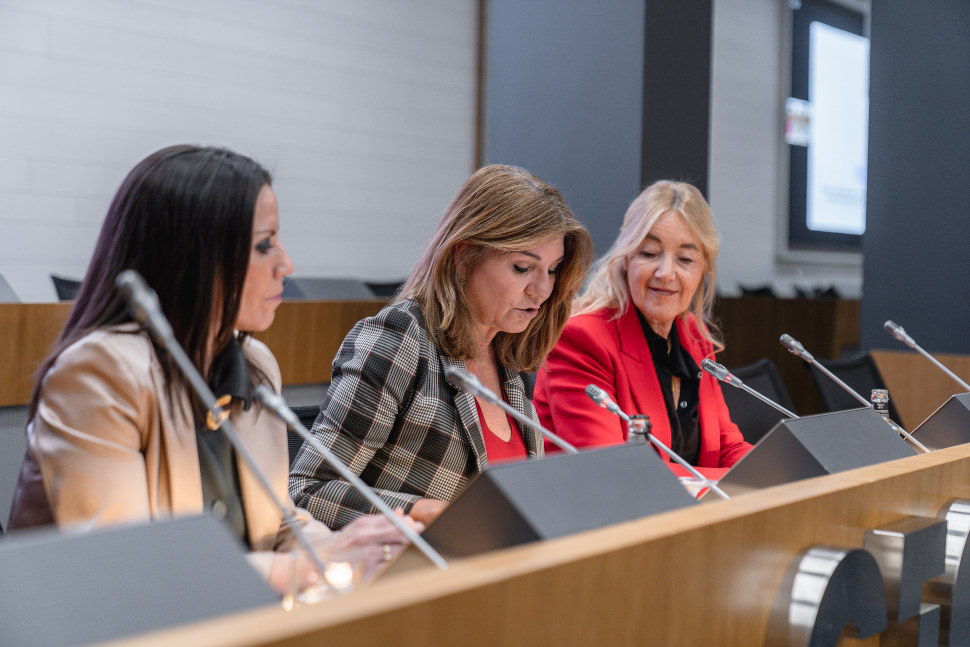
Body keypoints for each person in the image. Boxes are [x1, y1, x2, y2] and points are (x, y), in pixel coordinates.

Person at [7, 145, 418, 583]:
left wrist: (358, 550)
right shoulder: (98, 372)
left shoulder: (253, 364)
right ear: (194, 257)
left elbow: (278, 524)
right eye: (264, 245)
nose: (286, 265)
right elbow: (126, 571)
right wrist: (309, 568)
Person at [289, 165, 593, 529]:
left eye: (553, 269)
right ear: (464, 257)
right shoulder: (400, 338)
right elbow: (308, 490)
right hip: (410, 572)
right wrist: (428, 514)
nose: (541, 290)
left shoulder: (511, 364)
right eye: (522, 267)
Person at [533, 180, 751, 480]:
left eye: (685, 259)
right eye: (649, 253)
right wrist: (733, 482)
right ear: (626, 260)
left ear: (704, 271)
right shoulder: (582, 339)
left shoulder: (693, 338)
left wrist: (783, 472)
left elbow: (727, 448)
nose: (666, 273)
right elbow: (614, 472)